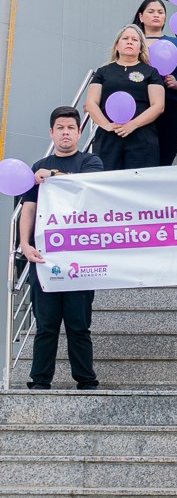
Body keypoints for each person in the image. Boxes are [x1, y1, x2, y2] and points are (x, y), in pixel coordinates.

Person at [20, 106, 104, 390]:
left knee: (78, 325)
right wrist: (25, 244)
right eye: (60, 128)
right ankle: (40, 380)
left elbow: (86, 187)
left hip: (79, 257)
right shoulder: (38, 166)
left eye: (70, 128)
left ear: (79, 133)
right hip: (45, 257)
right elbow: (29, 208)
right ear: (51, 133)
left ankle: (86, 380)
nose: (65, 133)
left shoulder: (91, 162)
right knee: (46, 325)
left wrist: (52, 175)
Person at [84, 24, 165, 170]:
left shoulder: (151, 72)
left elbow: (158, 105)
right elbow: (91, 102)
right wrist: (106, 125)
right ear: (116, 45)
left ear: (140, 48)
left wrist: (132, 125)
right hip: (109, 136)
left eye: (134, 40)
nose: (129, 42)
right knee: (107, 178)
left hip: (141, 135)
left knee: (140, 180)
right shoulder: (103, 72)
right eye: (125, 38)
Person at [133, 0, 177, 166]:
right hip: (138, 109)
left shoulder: (176, 44)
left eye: (160, 12)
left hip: (170, 110)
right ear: (141, 16)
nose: (156, 15)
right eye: (151, 12)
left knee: (163, 163)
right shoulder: (133, 42)